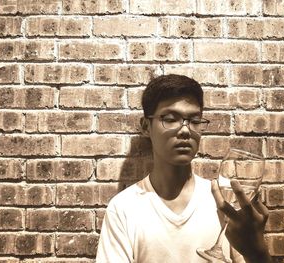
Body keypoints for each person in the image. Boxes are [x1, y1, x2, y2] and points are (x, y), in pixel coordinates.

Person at [96, 74, 272, 263]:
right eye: (171, 119)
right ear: (146, 126)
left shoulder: (223, 202)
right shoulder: (124, 208)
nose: (185, 130)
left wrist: (258, 254)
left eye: (195, 120)